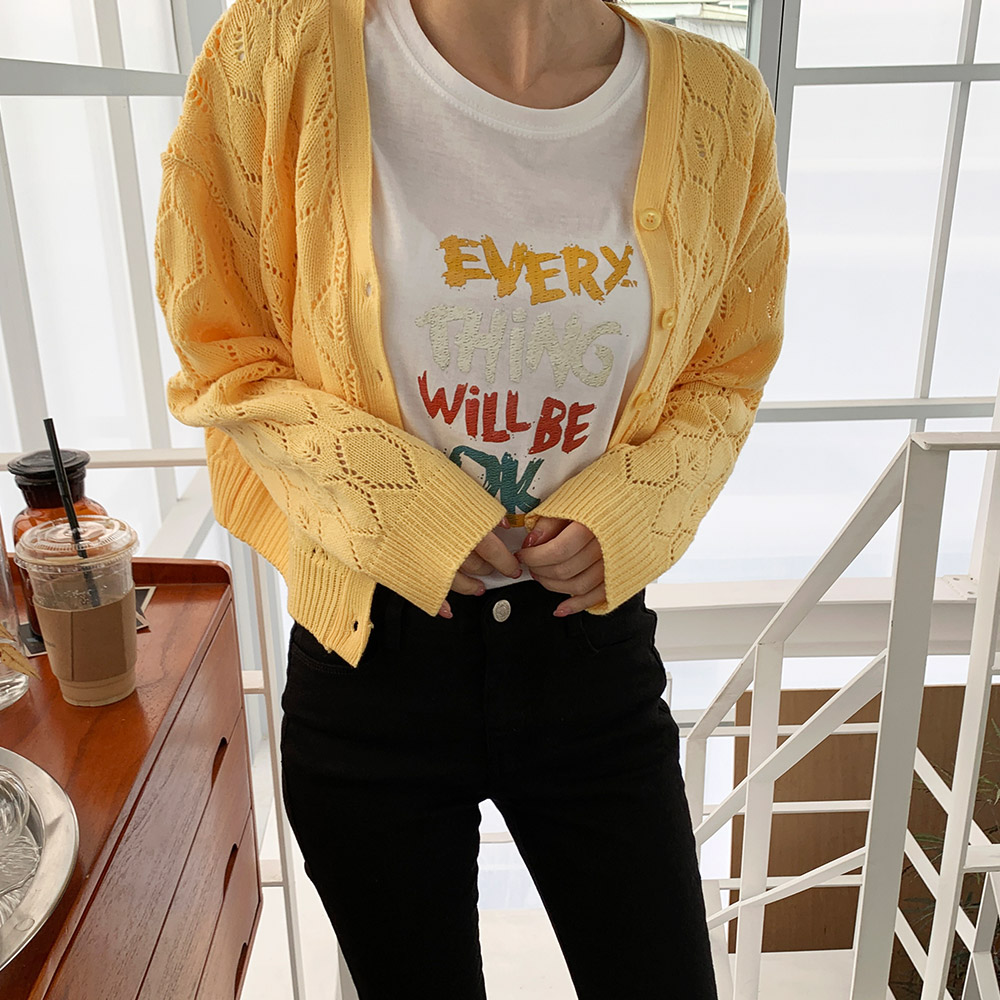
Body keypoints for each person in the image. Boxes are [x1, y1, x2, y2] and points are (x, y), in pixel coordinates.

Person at [155, 0, 789, 996]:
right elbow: (220, 350)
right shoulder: (276, 49)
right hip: (372, 664)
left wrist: (631, 508)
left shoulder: (718, 102)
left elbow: (725, 372)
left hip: (589, 663)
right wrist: (404, 511)